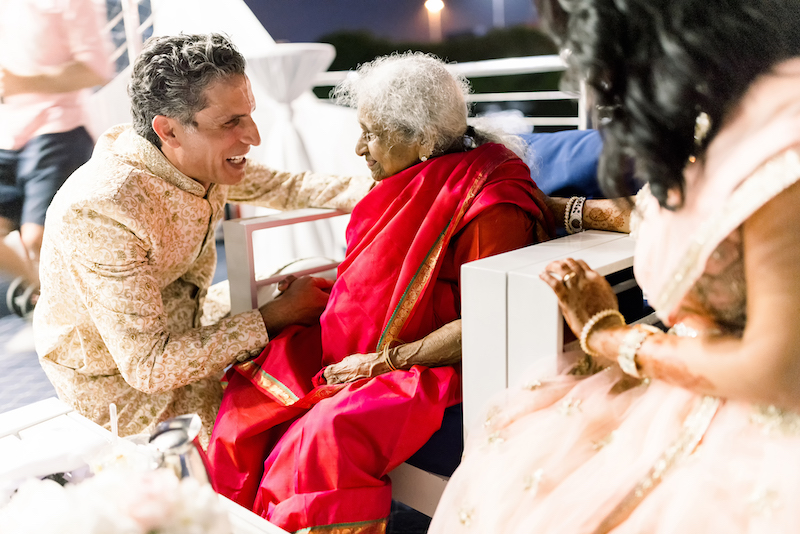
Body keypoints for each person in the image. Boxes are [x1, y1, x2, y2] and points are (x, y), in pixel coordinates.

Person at [429, 0, 800, 532]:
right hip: (695, 381)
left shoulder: (781, 130)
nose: (582, 61)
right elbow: (688, 220)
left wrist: (607, 336)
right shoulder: (718, 120)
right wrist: (561, 210)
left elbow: (778, 371)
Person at [33, 33, 374, 447]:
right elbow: (149, 366)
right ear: (169, 131)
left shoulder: (195, 156)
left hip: (189, 319)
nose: (254, 136)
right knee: (271, 440)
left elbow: (291, 187)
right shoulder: (103, 208)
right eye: (231, 122)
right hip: (116, 384)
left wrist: (412, 180)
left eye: (249, 114)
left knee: (308, 349)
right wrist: (275, 315)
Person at [0, 0, 112, 317]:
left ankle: (61, 309)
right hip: (7, 134)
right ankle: (50, 300)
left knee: (37, 238)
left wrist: (26, 83)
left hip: (57, 128)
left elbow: (97, 68)